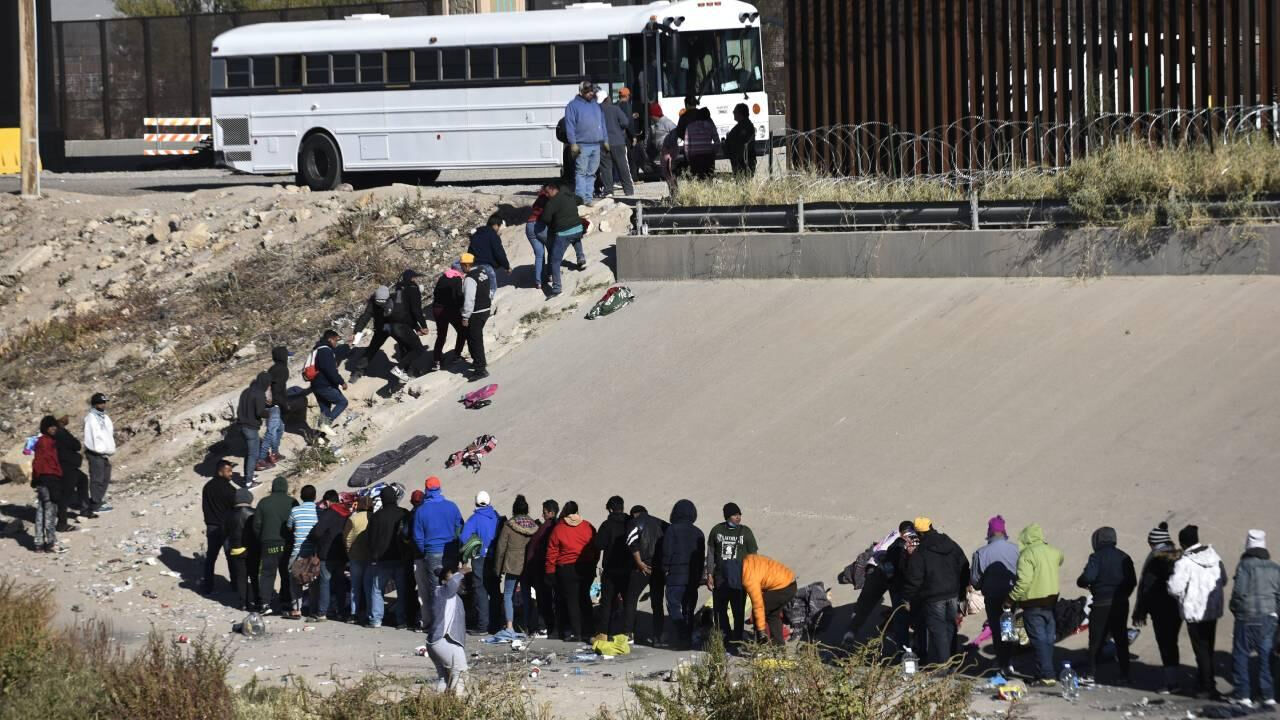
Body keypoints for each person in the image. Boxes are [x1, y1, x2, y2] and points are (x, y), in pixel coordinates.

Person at [1168, 524, 1228, 700]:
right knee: (1208, 648)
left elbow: (1174, 587)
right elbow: (1223, 580)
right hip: (1212, 611)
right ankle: (1205, 681)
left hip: (1194, 612)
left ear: (1183, 543)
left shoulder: (1184, 562)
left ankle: (1207, 687)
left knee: (1200, 650)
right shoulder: (1214, 556)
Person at [901, 517, 970, 667]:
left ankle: (944, 668)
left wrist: (907, 598)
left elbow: (914, 579)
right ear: (932, 527)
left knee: (938, 632)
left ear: (919, 534)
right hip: (952, 594)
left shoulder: (921, 553)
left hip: (933, 598)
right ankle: (953, 662)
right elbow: (964, 564)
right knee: (950, 628)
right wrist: (962, 590)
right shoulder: (949, 543)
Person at [1076, 526, 1137, 684]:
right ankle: (1125, 674)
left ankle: (1091, 674)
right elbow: (1132, 581)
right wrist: (1123, 595)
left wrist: (1082, 582)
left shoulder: (1096, 557)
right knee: (1121, 638)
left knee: (1095, 639)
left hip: (1101, 604)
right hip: (1120, 604)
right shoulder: (1124, 556)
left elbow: (1088, 577)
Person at [1228, 529, 1280, 708]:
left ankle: (1243, 695)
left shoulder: (1244, 566)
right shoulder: (1275, 567)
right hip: (1269, 618)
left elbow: (1239, 592)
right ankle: (1268, 695)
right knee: (1266, 657)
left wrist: (1234, 608)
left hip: (1247, 616)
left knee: (1241, 655)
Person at [1007, 523, 1064, 685]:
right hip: (1051, 602)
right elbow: (1061, 558)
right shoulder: (1054, 552)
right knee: (1047, 639)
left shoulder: (1026, 555)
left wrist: (1011, 598)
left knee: (1038, 640)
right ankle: (1044, 673)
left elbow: (1023, 582)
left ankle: (1047, 675)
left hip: (1033, 604)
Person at [843, 521, 914, 647]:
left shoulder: (895, 533)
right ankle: (903, 647)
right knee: (900, 610)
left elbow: (876, 550)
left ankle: (850, 633)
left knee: (864, 605)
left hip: (877, 570)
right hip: (884, 574)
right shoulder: (909, 539)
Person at [1133, 522, 1184, 695]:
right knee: (1172, 643)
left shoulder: (1156, 559)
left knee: (1166, 645)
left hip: (1161, 610)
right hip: (1178, 608)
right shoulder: (1179, 556)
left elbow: (1147, 587)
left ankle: (1172, 683)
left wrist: (1142, 610)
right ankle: (1175, 679)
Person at [412, 475, 463, 632]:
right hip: (450, 552)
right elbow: (460, 528)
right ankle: (452, 622)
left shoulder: (421, 511)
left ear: (427, 490)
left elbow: (417, 536)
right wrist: (454, 545)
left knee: (435, 590)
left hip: (432, 553)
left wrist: (425, 550)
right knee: (451, 587)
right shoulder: (452, 506)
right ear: (440, 489)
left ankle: (438, 625)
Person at [970, 515, 1019, 673]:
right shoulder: (1016, 550)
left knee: (997, 630)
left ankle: (1001, 661)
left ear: (989, 532)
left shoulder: (981, 553)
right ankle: (1009, 660)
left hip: (992, 597)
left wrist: (982, 585)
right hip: (1012, 596)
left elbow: (975, 580)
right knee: (1008, 627)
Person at [705, 502, 758, 646]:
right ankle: (725, 637)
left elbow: (753, 556)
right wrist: (709, 573)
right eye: (735, 515)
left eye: (739, 514)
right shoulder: (717, 530)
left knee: (738, 611)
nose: (738, 517)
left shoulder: (745, 532)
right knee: (719, 610)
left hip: (739, 579)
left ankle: (738, 638)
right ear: (728, 516)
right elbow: (710, 554)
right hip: (721, 577)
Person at [545, 500, 597, 641]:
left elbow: (552, 551)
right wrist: (593, 563)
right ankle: (590, 630)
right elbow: (595, 546)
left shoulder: (559, 528)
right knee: (585, 598)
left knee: (572, 601)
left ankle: (577, 633)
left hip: (567, 569)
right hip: (586, 566)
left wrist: (550, 571)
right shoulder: (587, 526)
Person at [494, 494, 539, 638]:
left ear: (514, 510)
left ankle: (510, 626)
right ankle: (527, 626)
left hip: (512, 564)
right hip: (528, 565)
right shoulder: (534, 526)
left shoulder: (509, 526)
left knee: (508, 595)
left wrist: (498, 568)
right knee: (526, 595)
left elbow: (501, 547)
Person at [662, 499, 704, 649]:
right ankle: (687, 638)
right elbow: (700, 557)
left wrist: (665, 568)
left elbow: (667, 551)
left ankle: (682, 634)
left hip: (675, 575)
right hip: (693, 577)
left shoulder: (672, 530)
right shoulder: (699, 532)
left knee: (674, 606)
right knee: (689, 608)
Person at [254, 477, 298, 614]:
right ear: (285, 487)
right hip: (287, 543)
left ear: (273, 487)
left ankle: (265, 603)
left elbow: (256, 525)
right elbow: (297, 522)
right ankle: (286, 602)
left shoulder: (263, 502)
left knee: (267, 573)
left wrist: (261, 539)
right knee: (286, 573)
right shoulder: (293, 502)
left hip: (268, 543)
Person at [366, 486, 409, 628]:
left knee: (377, 590)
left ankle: (376, 619)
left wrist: (373, 555)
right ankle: (401, 619)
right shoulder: (403, 513)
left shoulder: (376, 517)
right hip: (401, 557)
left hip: (381, 559)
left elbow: (370, 538)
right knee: (402, 591)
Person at [427, 562, 472, 694]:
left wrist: (445, 572)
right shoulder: (442, 592)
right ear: (444, 582)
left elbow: (443, 575)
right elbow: (451, 585)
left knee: (445, 679)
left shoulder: (449, 596)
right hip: (444, 641)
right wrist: (461, 572)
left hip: (436, 643)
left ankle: (438, 708)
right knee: (461, 674)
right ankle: (456, 708)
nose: (458, 582)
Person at [305, 489, 350, 621]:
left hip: (327, 553)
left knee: (325, 582)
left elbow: (317, 532)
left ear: (327, 501)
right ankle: (341, 611)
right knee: (340, 582)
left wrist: (312, 539)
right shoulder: (346, 513)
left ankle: (322, 612)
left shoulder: (329, 513)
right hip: (342, 554)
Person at [624, 504, 666, 646]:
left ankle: (629, 634)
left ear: (634, 514)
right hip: (659, 568)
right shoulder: (661, 523)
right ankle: (658, 636)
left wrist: (639, 562)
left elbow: (631, 543)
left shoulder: (634, 523)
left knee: (631, 599)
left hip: (642, 568)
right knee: (657, 602)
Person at [461, 490, 501, 635]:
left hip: (479, 559)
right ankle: (497, 624)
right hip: (495, 558)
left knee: (481, 591)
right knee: (495, 590)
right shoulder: (496, 517)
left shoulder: (474, 519)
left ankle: (483, 626)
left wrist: (474, 547)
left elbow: (464, 538)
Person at [538, 183, 587, 298]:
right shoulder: (569, 195)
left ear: (552, 189)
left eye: (546, 192)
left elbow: (545, 219)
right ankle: (581, 257)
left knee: (555, 261)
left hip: (564, 233)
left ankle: (556, 289)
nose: (546, 194)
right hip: (579, 228)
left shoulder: (552, 202)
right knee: (576, 238)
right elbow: (580, 200)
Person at [563, 81, 608, 203]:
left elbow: (602, 123)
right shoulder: (572, 106)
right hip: (582, 145)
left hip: (596, 145)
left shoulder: (596, 105)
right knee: (581, 173)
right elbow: (570, 126)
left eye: (591, 91)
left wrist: (605, 140)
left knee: (592, 173)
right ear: (581, 91)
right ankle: (580, 198)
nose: (590, 93)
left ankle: (588, 198)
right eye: (587, 91)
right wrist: (573, 143)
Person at [595, 495, 632, 637]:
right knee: (628, 601)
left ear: (610, 509)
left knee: (607, 603)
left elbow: (599, 544)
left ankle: (604, 632)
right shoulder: (630, 522)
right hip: (628, 568)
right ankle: (628, 632)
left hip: (611, 569)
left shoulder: (607, 525)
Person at [741, 553, 797, 646]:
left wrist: (760, 631)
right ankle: (779, 647)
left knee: (757, 614)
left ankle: (761, 645)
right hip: (790, 581)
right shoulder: (748, 559)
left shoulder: (748, 578)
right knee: (773, 615)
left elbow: (758, 605)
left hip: (783, 587)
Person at [200, 459, 238, 594]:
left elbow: (205, 507)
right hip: (226, 528)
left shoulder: (207, 487)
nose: (231, 474)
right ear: (220, 471)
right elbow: (236, 508)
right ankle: (235, 585)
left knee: (211, 558)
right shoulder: (230, 489)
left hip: (212, 527)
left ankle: (208, 586)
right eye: (228, 471)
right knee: (231, 557)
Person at [524, 499, 560, 639]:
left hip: (543, 569)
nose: (543, 514)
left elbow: (539, 548)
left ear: (551, 512)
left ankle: (544, 627)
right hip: (548, 569)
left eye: (545, 512)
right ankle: (550, 626)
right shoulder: (552, 526)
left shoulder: (548, 527)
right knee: (549, 599)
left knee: (544, 600)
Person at [286, 484, 319, 619]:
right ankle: (313, 609)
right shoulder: (318, 511)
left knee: (294, 579)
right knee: (313, 580)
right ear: (315, 497)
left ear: (301, 497)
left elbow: (289, 527)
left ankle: (296, 609)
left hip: (297, 551)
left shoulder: (295, 511)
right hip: (312, 552)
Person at [223, 487, 260, 611]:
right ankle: (256, 600)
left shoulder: (228, 514)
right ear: (249, 499)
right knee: (254, 576)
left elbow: (225, 532)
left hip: (236, 549)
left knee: (241, 578)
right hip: (253, 550)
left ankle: (243, 603)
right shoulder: (255, 512)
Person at [30, 416, 62, 553]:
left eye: (55, 426)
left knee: (41, 511)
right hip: (49, 480)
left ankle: (38, 543)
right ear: (45, 428)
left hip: (43, 480)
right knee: (50, 512)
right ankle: (50, 543)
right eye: (51, 426)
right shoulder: (46, 443)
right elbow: (44, 463)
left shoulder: (44, 441)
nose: (54, 428)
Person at [459, 253, 493, 381]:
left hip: (476, 312)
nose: (461, 268)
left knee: (475, 340)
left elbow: (469, 299)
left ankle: (480, 369)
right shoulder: (482, 273)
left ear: (467, 265)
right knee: (475, 338)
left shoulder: (470, 279)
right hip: (485, 309)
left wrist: (465, 316)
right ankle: (478, 361)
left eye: (462, 265)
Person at [82, 392, 116, 516]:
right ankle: (96, 503)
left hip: (104, 453)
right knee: (97, 478)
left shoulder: (104, 417)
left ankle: (98, 500)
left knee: (105, 476)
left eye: (104, 402)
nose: (103, 405)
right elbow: (92, 437)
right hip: (96, 453)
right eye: (101, 402)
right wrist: (99, 450)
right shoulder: (91, 418)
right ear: (95, 404)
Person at [235, 372, 270, 489]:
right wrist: (271, 413)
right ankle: (249, 482)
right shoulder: (259, 394)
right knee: (253, 454)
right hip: (250, 428)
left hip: (241, 426)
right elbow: (259, 412)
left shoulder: (246, 391)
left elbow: (240, 409)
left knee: (249, 453)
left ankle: (248, 476)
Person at [258, 346, 290, 470]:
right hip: (274, 405)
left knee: (280, 429)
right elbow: (277, 391)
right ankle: (261, 459)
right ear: (283, 356)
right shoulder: (282, 369)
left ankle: (275, 453)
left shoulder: (273, 369)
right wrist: (284, 404)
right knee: (271, 432)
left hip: (270, 404)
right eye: (287, 355)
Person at [310, 330, 348, 435]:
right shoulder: (325, 351)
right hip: (324, 385)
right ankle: (325, 424)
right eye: (336, 340)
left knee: (325, 409)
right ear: (330, 339)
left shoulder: (317, 349)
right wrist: (341, 382)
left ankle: (319, 436)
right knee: (342, 402)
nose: (336, 343)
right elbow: (330, 370)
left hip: (316, 385)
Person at [429, 268, 467, 371]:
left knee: (441, 335)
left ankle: (436, 361)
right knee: (462, 331)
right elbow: (458, 295)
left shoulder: (443, 277)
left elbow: (435, 293)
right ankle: (457, 355)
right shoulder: (457, 279)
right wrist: (462, 307)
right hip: (450, 309)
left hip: (437, 309)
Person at [343, 496, 372, 623]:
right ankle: (368, 613)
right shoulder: (374, 517)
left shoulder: (353, 518)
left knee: (355, 587)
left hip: (356, 556)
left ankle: (354, 614)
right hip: (370, 557)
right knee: (369, 586)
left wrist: (349, 552)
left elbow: (347, 538)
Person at [600, 93, 635, 197]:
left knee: (606, 168)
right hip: (617, 141)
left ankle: (609, 191)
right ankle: (628, 190)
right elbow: (625, 122)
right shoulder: (615, 109)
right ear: (608, 99)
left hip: (602, 142)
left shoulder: (596, 111)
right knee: (622, 166)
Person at [466, 215, 511, 298]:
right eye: (500, 226)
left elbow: (469, 252)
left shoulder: (475, 235)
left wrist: (468, 267)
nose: (500, 230)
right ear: (495, 225)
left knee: (476, 292)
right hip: (486, 268)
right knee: (490, 291)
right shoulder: (492, 235)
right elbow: (499, 252)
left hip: (473, 268)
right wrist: (507, 267)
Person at [52, 416, 87, 521]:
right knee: (66, 492)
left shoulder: (58, 432)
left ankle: (86, 510)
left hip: (68, 465)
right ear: (61, 419)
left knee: (83, 480)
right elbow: (76, 445)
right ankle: (62, 521)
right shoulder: (60, 433)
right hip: (66, 466)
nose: (68, 419)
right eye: (66, 417)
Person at [524, 184, 556, 292]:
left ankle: (538, 282)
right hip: (539, 225)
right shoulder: (548, 198)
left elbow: (534, 209)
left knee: (539, 255)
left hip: (529, 225)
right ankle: (551, 274)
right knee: (552, 249)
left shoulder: (539, 199)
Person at [684, 108, 720, 180]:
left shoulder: (689, 127)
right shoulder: (710, 126)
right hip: (707, 156)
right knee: (708, 179)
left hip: (694, 157)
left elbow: (686, 145)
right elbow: (717, 142)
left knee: (697, 180)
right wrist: (713, 153)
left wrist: (689, 158)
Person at [723, 103, 757, 177]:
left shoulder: (743, 127)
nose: (733, 113)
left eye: (735, 112)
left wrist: (724, 143)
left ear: (740, 113)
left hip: (742, 163)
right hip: (744, 162)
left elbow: (738, 145)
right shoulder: (746, 125)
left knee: (743, 183)